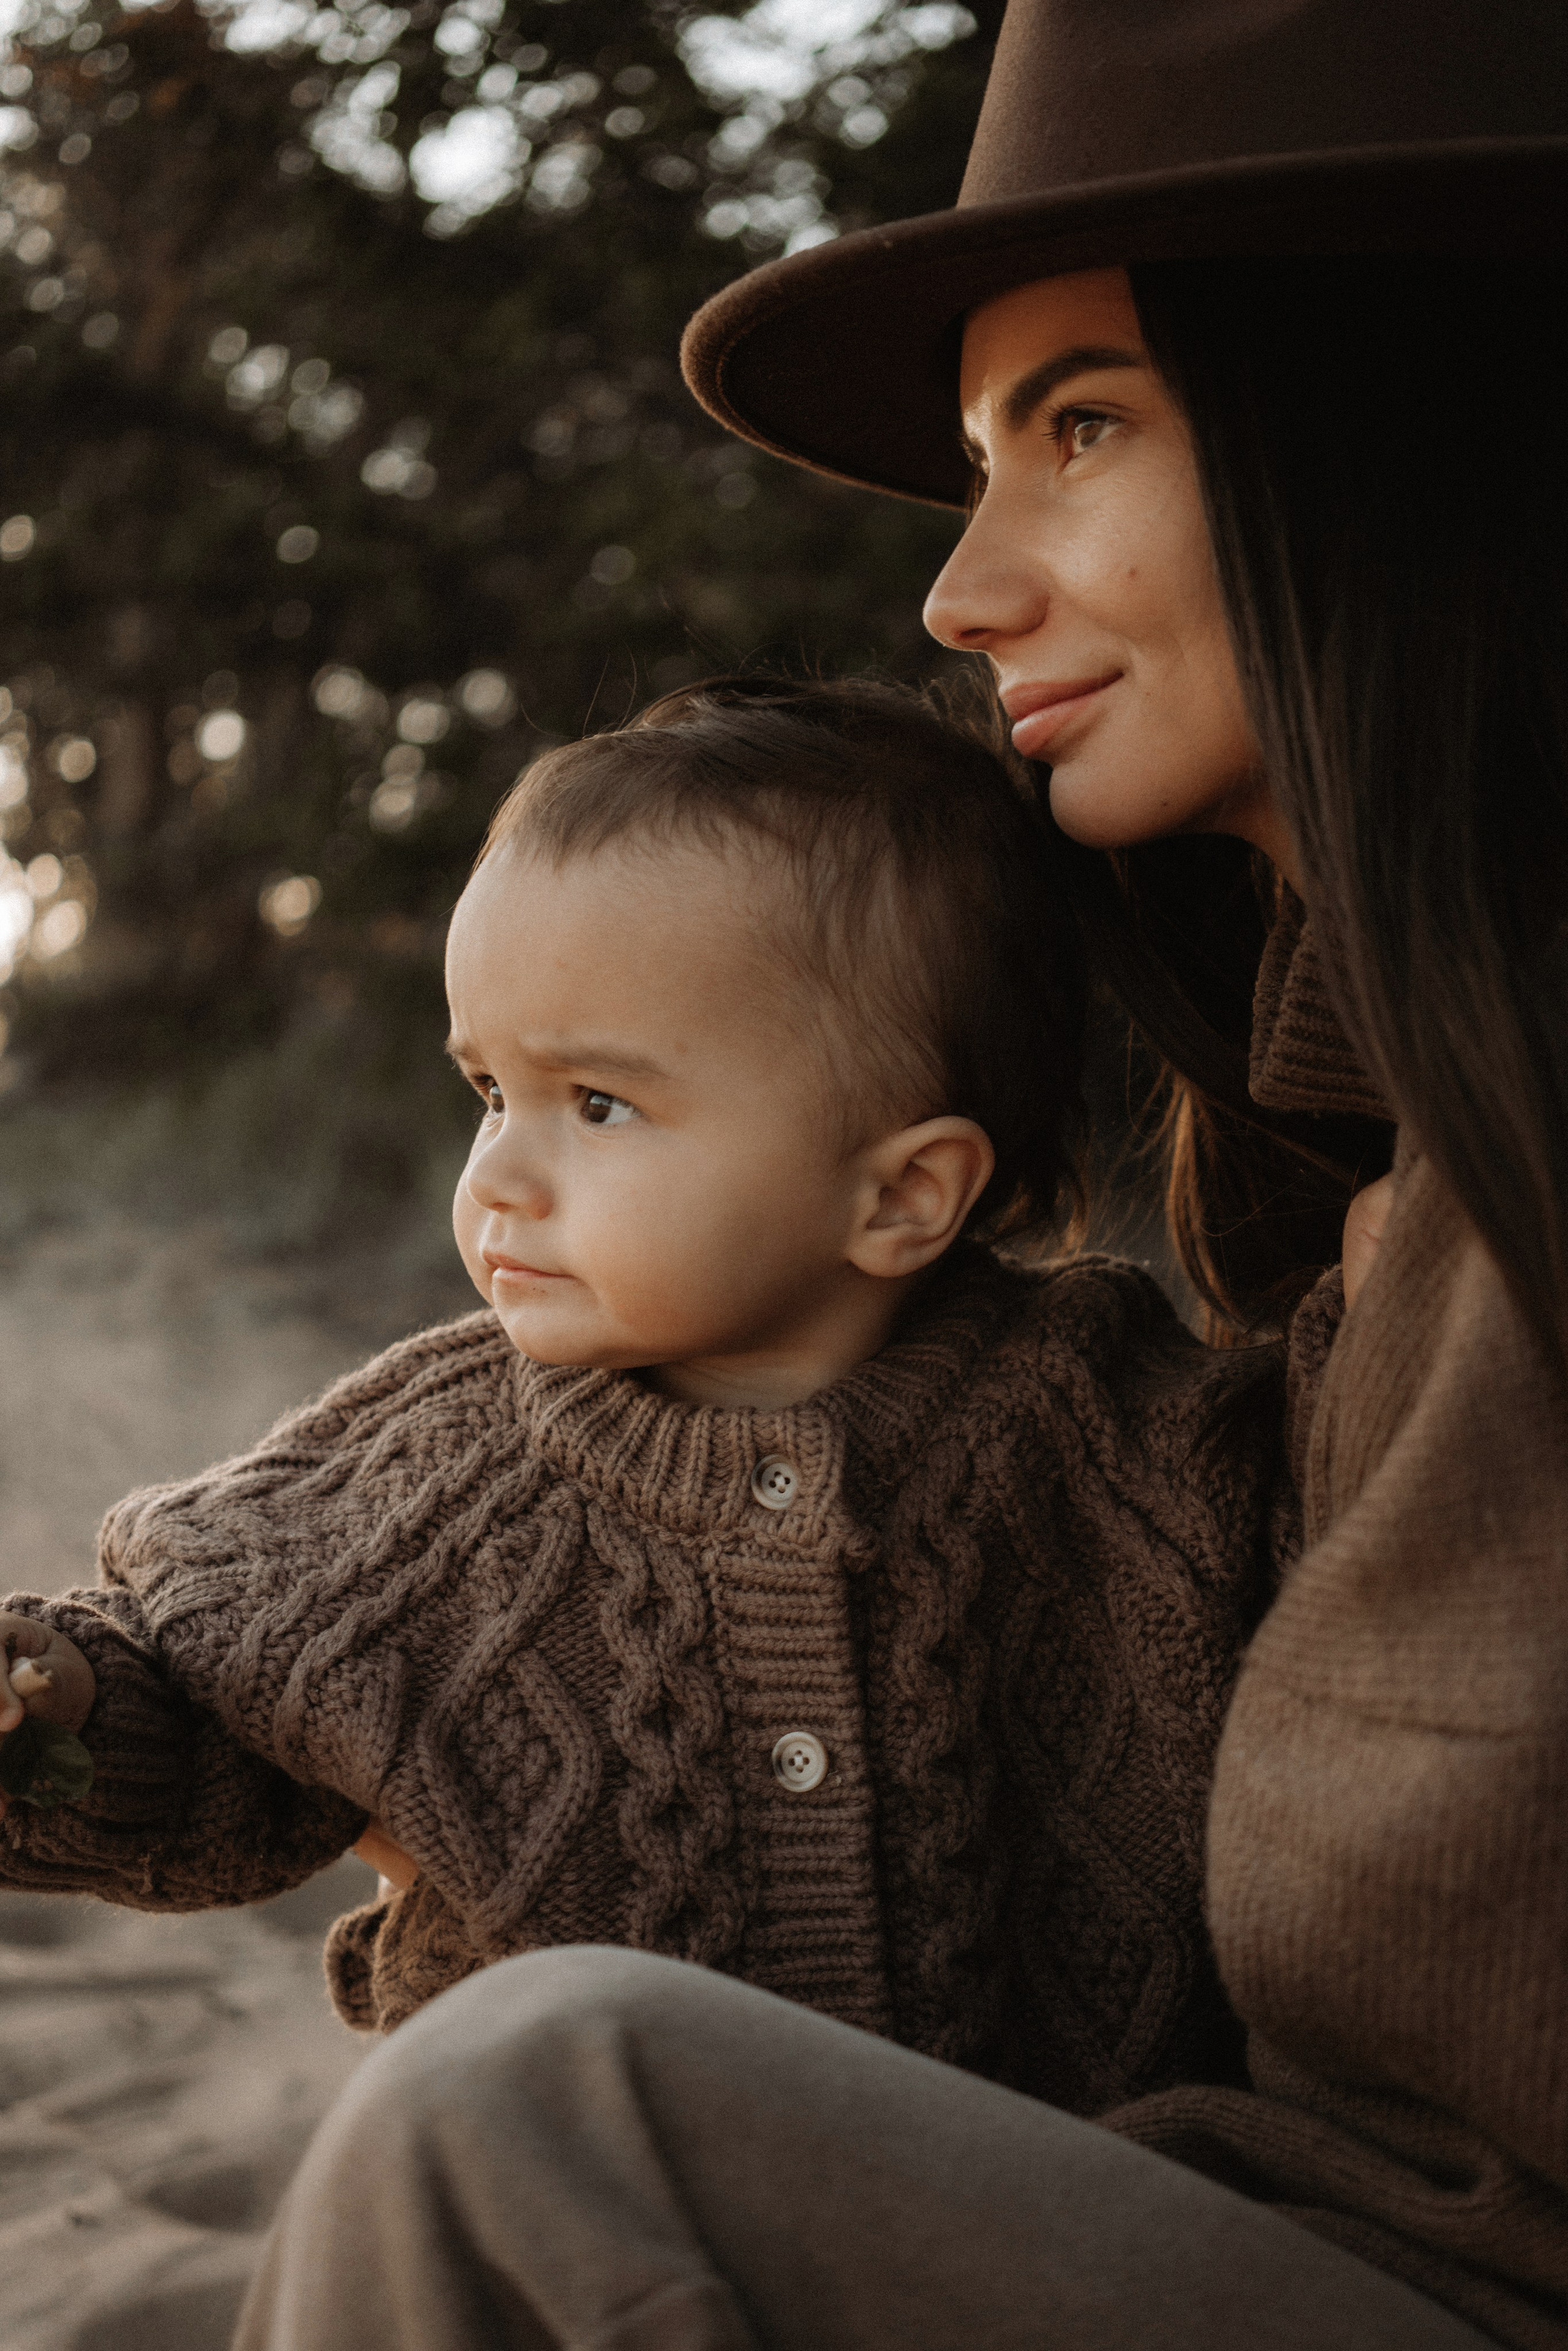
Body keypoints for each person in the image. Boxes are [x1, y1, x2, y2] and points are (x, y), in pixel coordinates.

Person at [225, 2, 1568, 2347]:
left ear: (1412, 404)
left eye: (1082, 423)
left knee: (540, 2104)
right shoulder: (1377, 1222)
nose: (959, 592)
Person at [0, 673, 1286, 2115]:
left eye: (594, 1105)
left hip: (1020, 2240)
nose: (494, 1176)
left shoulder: (1138, 1438)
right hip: (571, 2230)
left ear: (903, 1193)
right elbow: (204, 1732)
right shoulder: (431, 1470)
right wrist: (50, 1719)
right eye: (488, 1090)